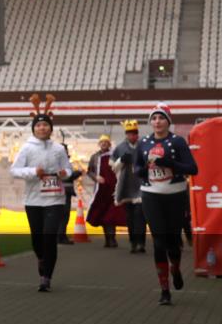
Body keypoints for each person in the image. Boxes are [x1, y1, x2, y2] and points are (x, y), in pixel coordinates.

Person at [133, 103, 198, 305]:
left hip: (175, 195)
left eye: (161, 118)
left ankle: (176, 268)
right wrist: (144, 168)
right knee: (159, 242)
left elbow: (193, 169)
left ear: (168, 121)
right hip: (151, 195)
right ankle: (164, 290)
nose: (157, 122)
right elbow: (136, 168)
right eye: (154, 118)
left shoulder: (177, 142)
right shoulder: (143, 143)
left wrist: (169, 163)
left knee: (173, 243)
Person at [10, 94, 73, 292]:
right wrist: (33, 172)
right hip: (33, 200)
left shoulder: (59, 149)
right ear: (34, 128)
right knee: (37, 240)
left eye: (45, 125)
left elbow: (68, 169)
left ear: (50, 128)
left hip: (55, 199)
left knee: (49, 237)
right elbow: (14, 170)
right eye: (38, 125)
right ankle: (41, 258)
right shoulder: (27, 149)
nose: (42, 128)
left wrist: (65, 174)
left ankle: (46, 277)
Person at [85, 135, 126, 247]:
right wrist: (96, 177)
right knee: (102, 213)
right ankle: (107, 239)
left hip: (113, 189)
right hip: (100, 190)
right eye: (102, 142)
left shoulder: (114, 155)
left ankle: (112, 238)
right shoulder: (94, 157)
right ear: (99, 144)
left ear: (109, 144)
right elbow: (89, 171)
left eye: (106, 142)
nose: (104, 144)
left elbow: (120, 168)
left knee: (111, 214)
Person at [112, 120, 146, 253]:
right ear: (126, 134)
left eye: (134, 133)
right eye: (129, 133)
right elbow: (113, 166)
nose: (132, 136)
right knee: (130, 217)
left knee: (140, 215)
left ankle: (141, 242)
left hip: (141, 185)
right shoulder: (120, 147)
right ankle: (133, 241)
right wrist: (121, 160)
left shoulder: (143, 146)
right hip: (126, 186)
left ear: (137, 134)